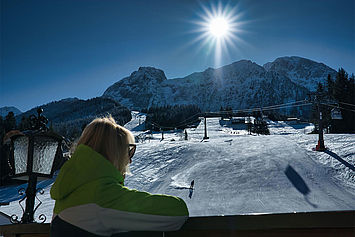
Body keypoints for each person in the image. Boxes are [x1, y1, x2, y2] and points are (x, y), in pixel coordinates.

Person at [50, 116, 189, 236]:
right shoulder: (102, 195)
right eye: (128, 151)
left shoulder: (69, 191)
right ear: (114, 152)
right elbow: (177, 211)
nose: (129, 160)